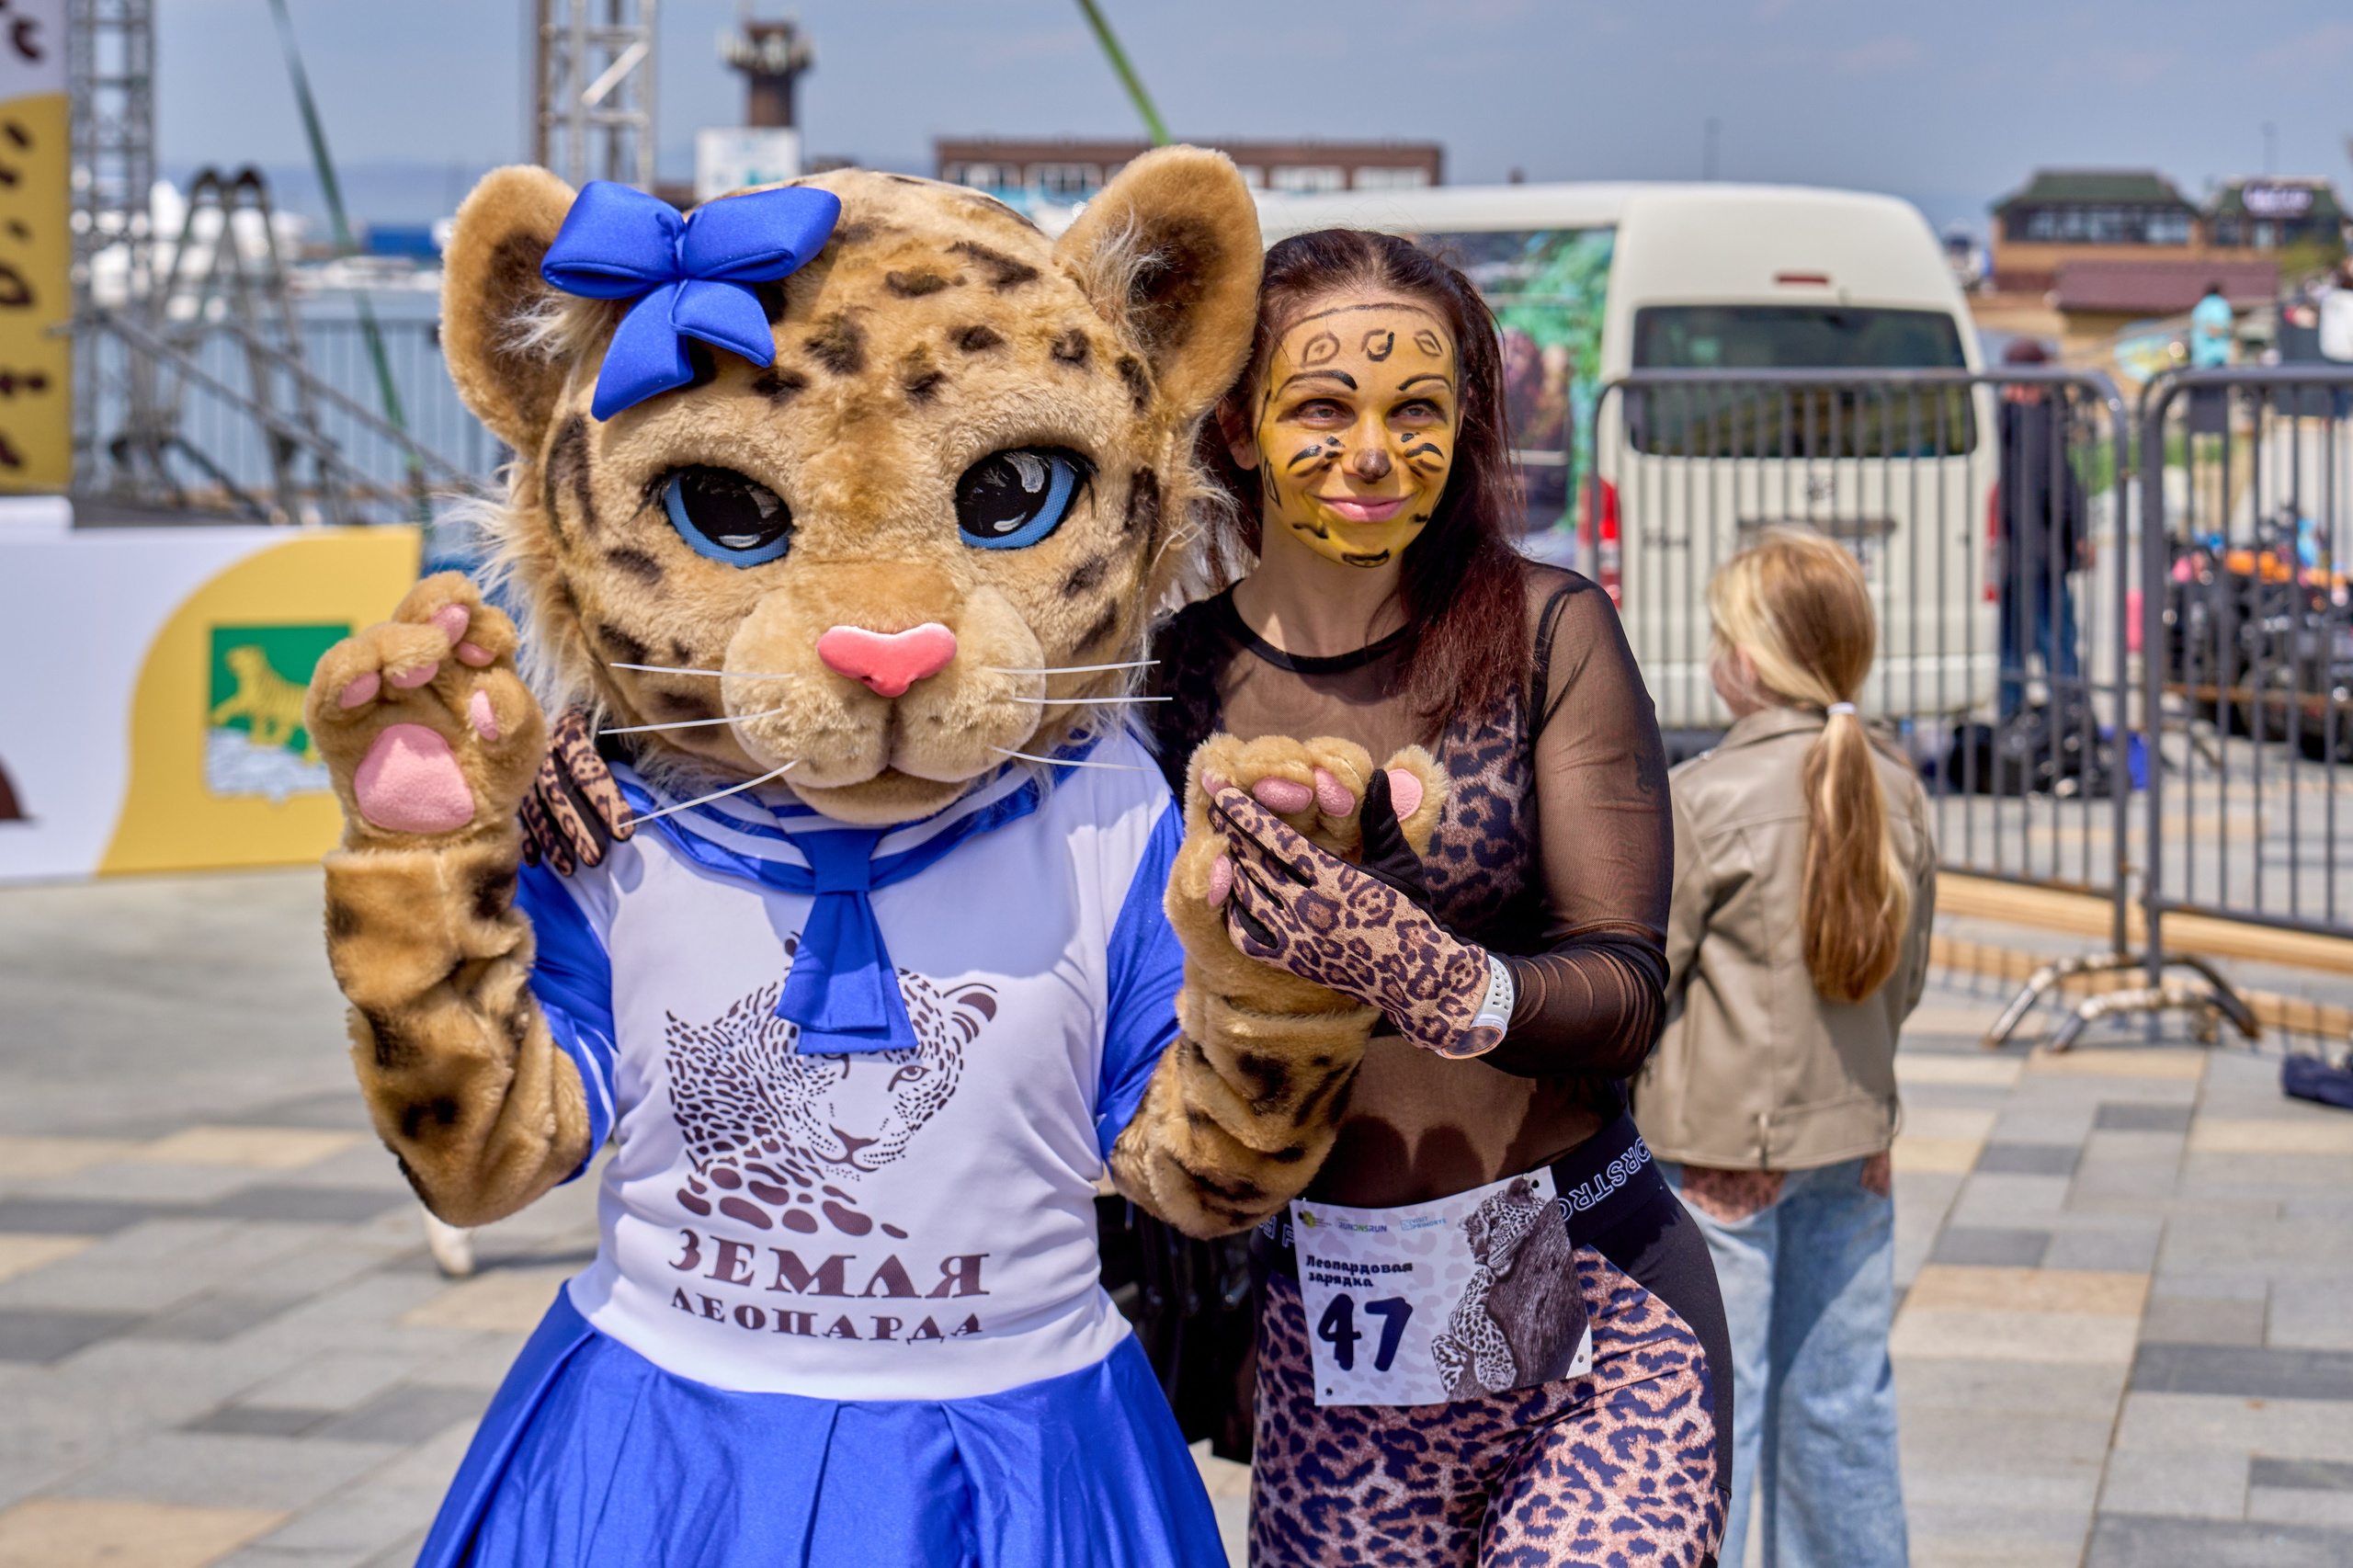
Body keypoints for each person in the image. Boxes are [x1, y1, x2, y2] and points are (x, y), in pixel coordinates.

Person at [1151, 228, 1730, 1567]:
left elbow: (1628, 990)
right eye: (1321, 405)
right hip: (1337, 1352)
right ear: (1237, 428)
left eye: (1417, 408)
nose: (1370, 449)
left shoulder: (1546, 629)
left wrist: (1437, 972)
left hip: (1594, 1307)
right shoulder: (1168, 680)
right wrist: (597, 760)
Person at [1631, 528, 1937, 1568]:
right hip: (1853, 1144)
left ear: (1746, 662)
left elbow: (1642, 983)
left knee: (1710, 1415)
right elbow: (1908, 979)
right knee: (1843, 1406)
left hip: (1717, 1154)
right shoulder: (1895, 784)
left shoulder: (1706, 796)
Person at [1993, 340, 2086, 721]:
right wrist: (2075, 536)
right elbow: (2058, 489)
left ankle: (2010, 724)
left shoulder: (1998, 421)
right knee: (2057, 642)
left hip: (2011, 553)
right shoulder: (2039, 422)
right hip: (2043, 553)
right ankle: (2070, 720)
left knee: (2012, 648)